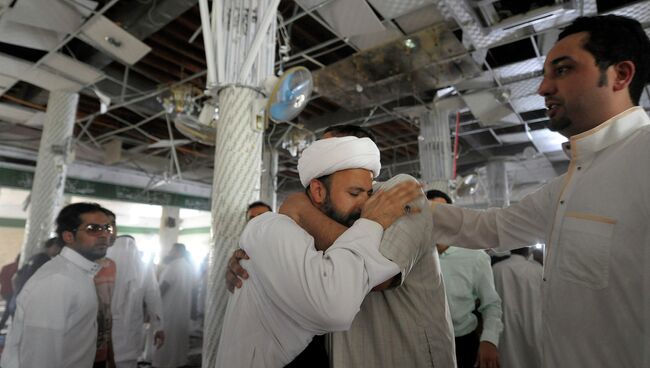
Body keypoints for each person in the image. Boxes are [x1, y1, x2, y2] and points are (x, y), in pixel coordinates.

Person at [428, 15, 650, 367]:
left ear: (620, 75)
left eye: (561, 70)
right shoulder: (568, 184)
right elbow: (492, 227)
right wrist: (399, 206)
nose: (542, 88)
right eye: (546, 74)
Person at [216, 136, 422, 367]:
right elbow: (335, 308)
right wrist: (372, 222)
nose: (366, 205)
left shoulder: (311, 235)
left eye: (368, 194)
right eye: (354, 193)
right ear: (318, 191)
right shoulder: (270, 226)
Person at [1, 202, 114, 368]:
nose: (104, 235)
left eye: (107, 228)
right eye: (93, 229)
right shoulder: (58, 279)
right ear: (68, 236)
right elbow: (40, 356)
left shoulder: (79, 274)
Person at [428, 190, 502, 368]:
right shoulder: (413, 257)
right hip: (423, 343)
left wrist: (489, 340)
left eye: (443, 212)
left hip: (463, 343)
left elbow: (491, 304)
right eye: (429, 212)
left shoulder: (474, 256)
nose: (437, 218)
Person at [108, 235, 165, 368]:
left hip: (104, 332)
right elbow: (154, 299)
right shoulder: (144, 269)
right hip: (130, 331)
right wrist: (159, 327)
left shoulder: (102, 266)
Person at [492, 247, 543, 368]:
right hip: (533, 321)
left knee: (509, 354)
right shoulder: (537, 269)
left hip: (506, 323)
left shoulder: (497, 269)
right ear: (528, 250)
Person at [152, 243, 194, 368]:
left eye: (171, 250)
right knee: (178, 339)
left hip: (169, 309)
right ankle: (178, 362)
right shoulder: (188, 266)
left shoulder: (173, 266)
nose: (169, 253)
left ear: (177, 252)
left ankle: (163, 363)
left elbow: (163, 288)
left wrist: (152, 304)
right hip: (183, 310)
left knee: (166, 338)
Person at [0, 253, 20, 330]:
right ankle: (7, 326)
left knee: (9, 309)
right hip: (12, 292)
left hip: (4, 292)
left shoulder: (5, 267)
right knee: (10, 310)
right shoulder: (19, 268)